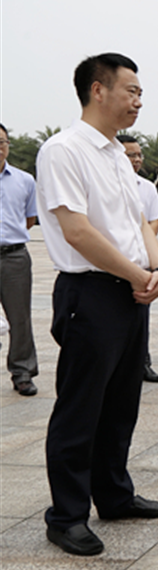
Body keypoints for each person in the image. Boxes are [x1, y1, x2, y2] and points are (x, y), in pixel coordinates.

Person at [36, 52, 158, 556]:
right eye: (131, 91)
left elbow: (140, 221)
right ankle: (67, 516)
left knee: (120, 404)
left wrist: (157, 269)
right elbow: (77, 231)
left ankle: (114, 495)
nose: (138, 101)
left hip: (130, 292)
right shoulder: (64, 150)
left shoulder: (117, 153)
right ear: (98, 90)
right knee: (80, 409)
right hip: (91, 293)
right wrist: (138, 275)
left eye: (140, 93)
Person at [117, 134, 158, 383]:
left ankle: (142, 363)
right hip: (113, 261)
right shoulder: (108, 183)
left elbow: (154, 220)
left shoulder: (146, 187)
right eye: (131, 155)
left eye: (139, 155)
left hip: (142, 261)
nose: (137, 159)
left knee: (141, 317)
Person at [0, 122, 39, 396]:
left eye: (1, 142)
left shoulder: (25, 180)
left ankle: (23, 372)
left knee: (20, 317)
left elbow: (30, 219)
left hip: (14, 257)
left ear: (8, 145)